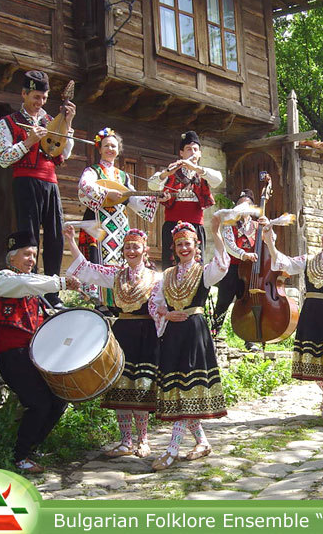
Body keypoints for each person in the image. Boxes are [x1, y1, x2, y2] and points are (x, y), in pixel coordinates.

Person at [65, 225, 160, 458]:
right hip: (123, 331)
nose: (131, 251)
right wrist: (70, 241)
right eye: (127, 247)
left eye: (135, 247)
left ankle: (143, 440)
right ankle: (125, 440)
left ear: (145, 250)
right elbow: (87, 270)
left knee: (142, 386)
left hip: (146, 333)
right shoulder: (116, 275)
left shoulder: (157, 277)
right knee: (120, 386)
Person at [0, 230, 81, 473]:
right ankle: (20, 456)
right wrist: (61, 282)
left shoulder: (35, 289)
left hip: (34, 358)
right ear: (12, 258)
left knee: (60, 399)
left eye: (34, 255)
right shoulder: (2, 279)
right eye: (26, 254)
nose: (32, 259)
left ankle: (31, 447)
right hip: (13, 356)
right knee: (39, 403)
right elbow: (23, 284)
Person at [148, 218, 230, 470]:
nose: (184, 248)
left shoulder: (204, 272)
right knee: (179, 389)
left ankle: (172, 449)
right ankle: (202, 442)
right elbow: (154, 303)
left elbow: (222, 265)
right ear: (174, 248)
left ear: (197, 246)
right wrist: (165, 314)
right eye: (179, 244)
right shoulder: (166, 275)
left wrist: (216, 233)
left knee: (187, 390)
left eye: (188, 244)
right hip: (173, 332)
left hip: (194, 332)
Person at [0, 70, 76, 309]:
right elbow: (3, 158)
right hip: (25, 181)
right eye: (35, 97)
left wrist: (68, 122)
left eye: (43, 98)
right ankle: (30, 291)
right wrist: (28, 141)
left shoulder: (51, 120)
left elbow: (64, 153)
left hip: (50, 183)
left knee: (54, 237)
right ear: (23, 94)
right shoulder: (7, 122)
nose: (39, 102)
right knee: (29, 238)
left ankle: (52, 294)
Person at [263, 219, 323, 421]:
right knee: (310, 358)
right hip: (310, 311)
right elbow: (285, 263)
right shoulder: (308, 259)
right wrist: (270, 243)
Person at [77, 127, 161, 306]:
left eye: (114, 146)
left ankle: (117, 300)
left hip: (119, 223)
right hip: (98, 221)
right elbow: (85, 186)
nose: (110, 150)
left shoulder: (122, 176)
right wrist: (107, 192)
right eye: (106, 146)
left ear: (118, 150)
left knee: (119, 260)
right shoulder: (92, 171)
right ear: (99, 149)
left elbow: (132, 198)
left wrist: (156, 199)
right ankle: (97, 301)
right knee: (97, 258)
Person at [147, 131, 223, 268]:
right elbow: (151, 185)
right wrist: (166, 173)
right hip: (172, 226)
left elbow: (218, 180)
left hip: (195, 227)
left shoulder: (203, 173)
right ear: (181, 153)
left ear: (200, 153)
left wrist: (197, 168)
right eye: (188, 149)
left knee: (196, 266)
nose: (193, 153)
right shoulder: (172, 172)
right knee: (171, 266)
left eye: (195, 150)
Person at [213, 189, 260, 351]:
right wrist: (244, 254)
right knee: (223, 302)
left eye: (246, 205)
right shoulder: (229, 223)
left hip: (249, 271)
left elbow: (270, 242)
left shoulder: (257, 225)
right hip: (232, 268)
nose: (242, 208)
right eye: (239, 204)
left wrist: (268, 228)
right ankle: (214, 334)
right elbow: (229, 245)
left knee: (247, 304)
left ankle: (249, 339)